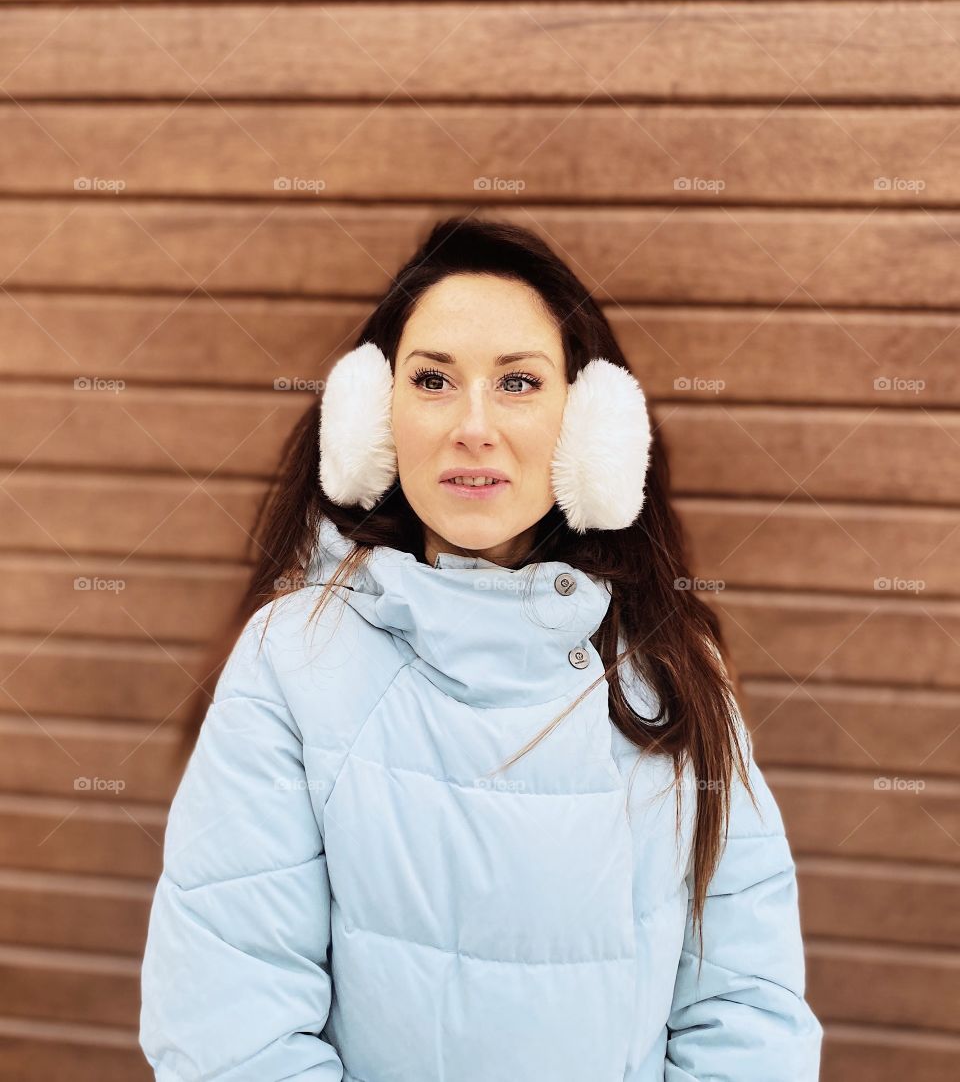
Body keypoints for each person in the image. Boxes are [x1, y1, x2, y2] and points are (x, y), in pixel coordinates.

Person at [139, 215, 823, 1081]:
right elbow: (228, 1030)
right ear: (371, 419)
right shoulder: (292, 660)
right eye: (432, 380)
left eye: (518, 384)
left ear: (592, 428)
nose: (473, 425)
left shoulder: (674, 672)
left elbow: (747, 1008)